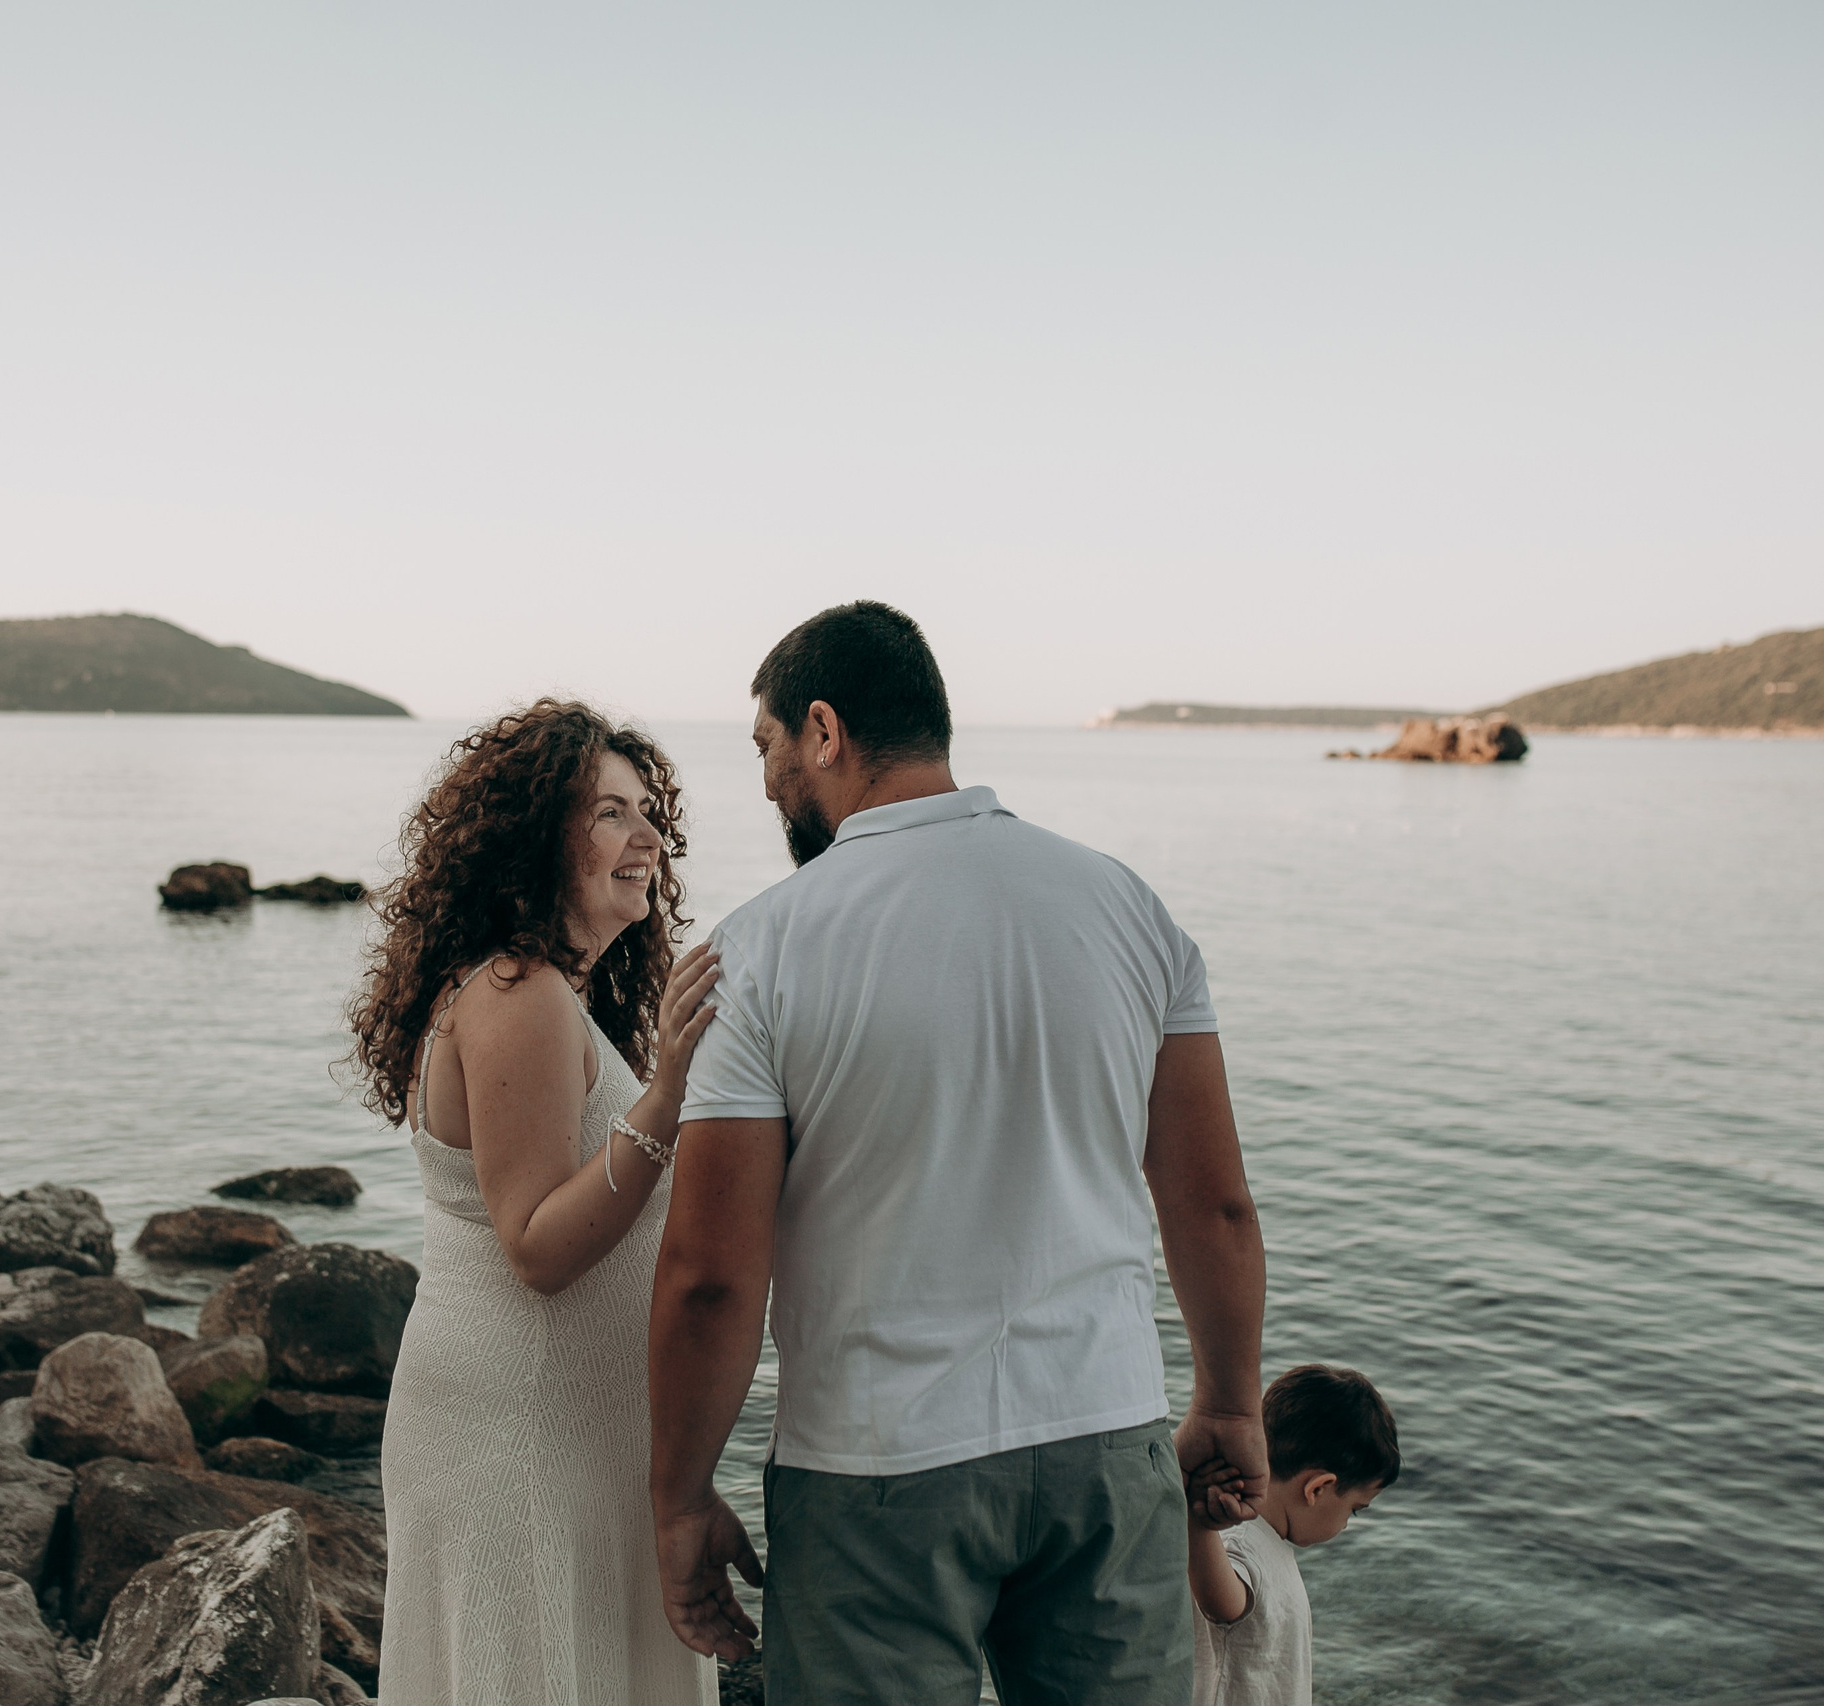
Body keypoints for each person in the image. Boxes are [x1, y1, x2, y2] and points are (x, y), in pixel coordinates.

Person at [646, 601, 1272, 1705]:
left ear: (824, 731)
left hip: (873, 1468)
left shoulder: (761, 949)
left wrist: (680, 1498)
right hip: (1105, 1436)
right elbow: (1213, 1204)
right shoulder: (1129, 909)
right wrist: (1229, 1402)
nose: (767, 781)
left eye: (766, 745)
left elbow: (711, 1276)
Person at [356, 699, 724, 1706]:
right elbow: (536, 1246)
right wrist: (667, 1096)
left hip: (567, 1429)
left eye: (648, 813)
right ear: (534, 838)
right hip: (519, 1432)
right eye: (610, 813)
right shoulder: (518, 994)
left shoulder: (551, 996)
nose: (647, 838)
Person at [1187, 1365, 1402, 1706]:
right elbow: (1219, 1604)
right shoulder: (1240, 1540)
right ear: (1318, 1488)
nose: (1347, 1524)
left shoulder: (1268, 1540)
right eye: (1353, 1509)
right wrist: (1197, 1523)